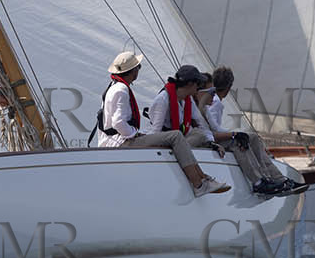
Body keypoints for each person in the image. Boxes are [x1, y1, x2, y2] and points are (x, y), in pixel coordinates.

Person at [97, 55, 229, 197]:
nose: (139, 70)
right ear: (133, 71)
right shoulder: (122, 90)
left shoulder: (115, 86)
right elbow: (118, 122)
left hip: (120, 140)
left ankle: (203, 178)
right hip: (121, 143)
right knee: (176, 136)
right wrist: (133, 134)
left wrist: (211, 142)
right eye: (138, 67)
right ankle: (199, 184)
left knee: (194, 134)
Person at [199, 68, 302, 197]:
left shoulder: (205, 107)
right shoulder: (214, 104)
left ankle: (274, 179)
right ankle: (259, 182)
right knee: (238, 143)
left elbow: (215, 128)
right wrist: (234, 135)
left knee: (251, 138)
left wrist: (238, 133)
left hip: (211, 137)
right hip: (206, 141)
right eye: (210, 91)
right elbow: (208, 134)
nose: (212, 94)